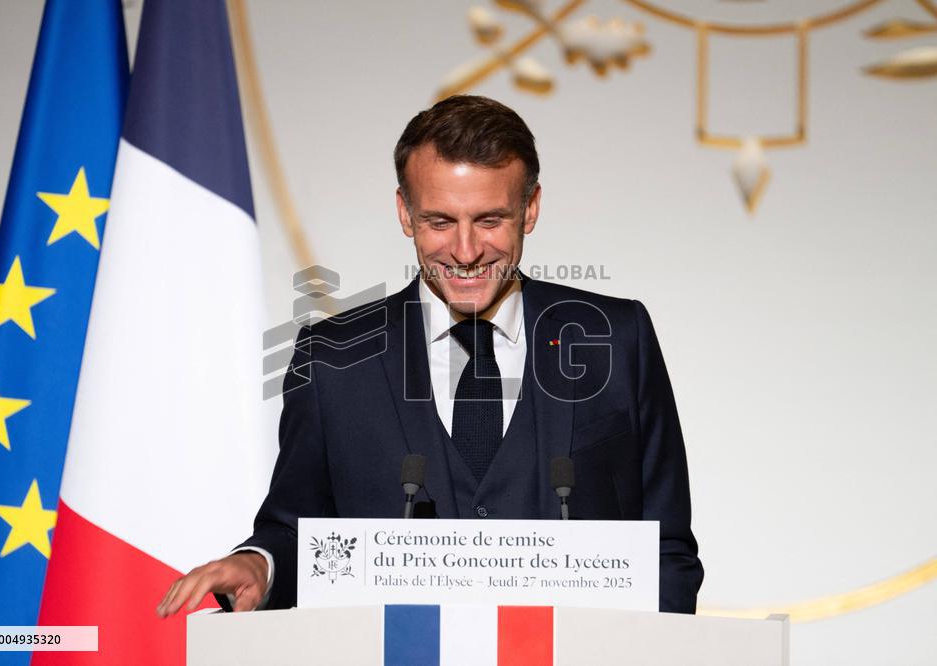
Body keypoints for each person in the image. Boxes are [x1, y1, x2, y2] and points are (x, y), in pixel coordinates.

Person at [156, 95, 703, 618]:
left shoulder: (616, 336)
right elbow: (299, 532)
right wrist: (261, 564)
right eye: (439, 222)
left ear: (530, 209)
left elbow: (666, 548)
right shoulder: (332, 358)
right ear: (404, 212)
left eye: (490, 220)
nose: (465, 252)